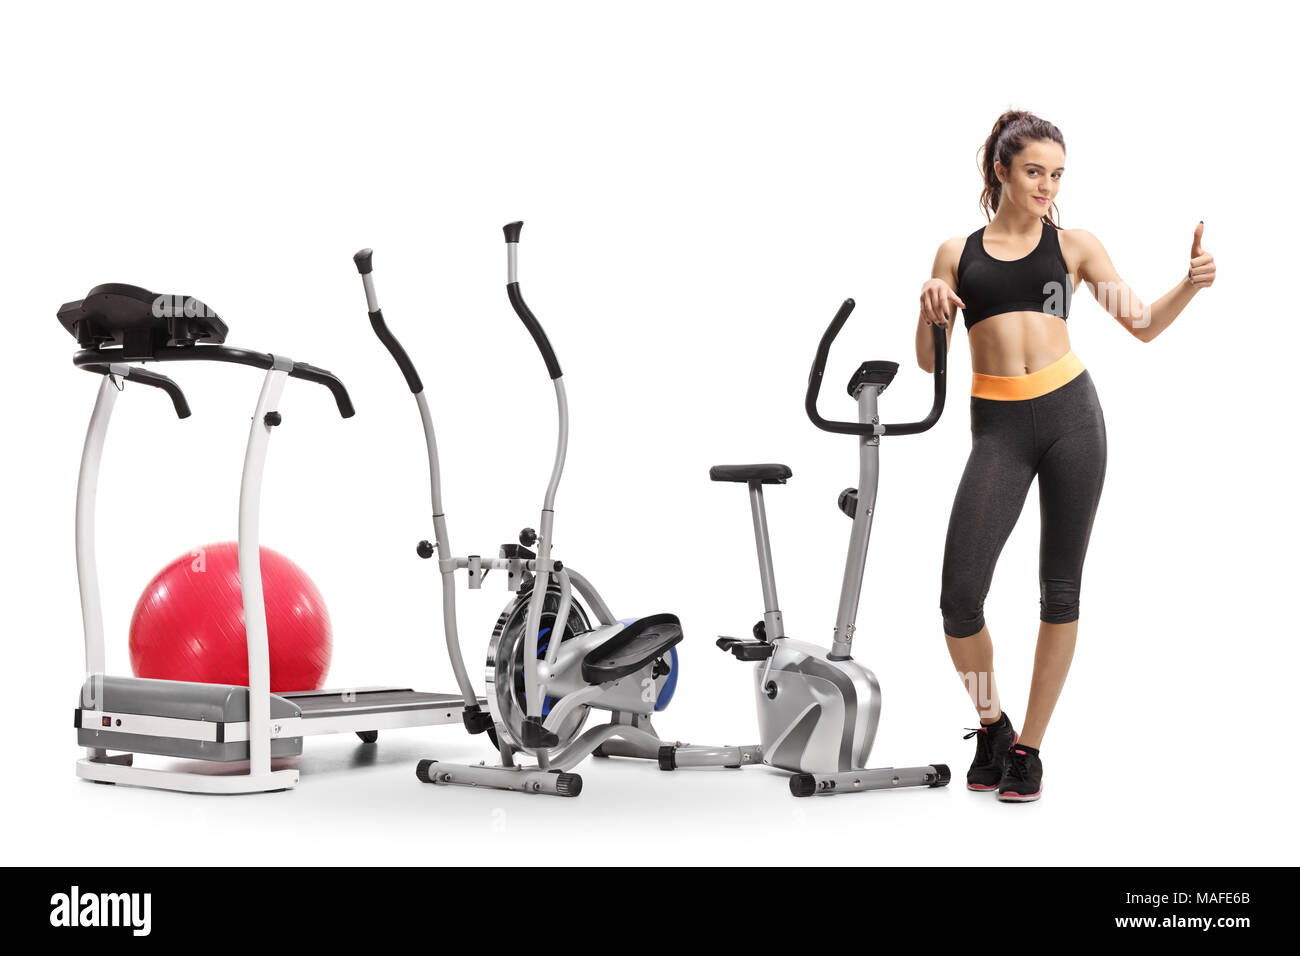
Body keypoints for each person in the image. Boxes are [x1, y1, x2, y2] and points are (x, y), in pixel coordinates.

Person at [916, 109, 1215, 803]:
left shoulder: (1075, 247)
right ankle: (991, 723)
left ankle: (1028, 751)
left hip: (1072, 419)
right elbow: (926, 359)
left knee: (1060, 592)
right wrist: (931, 308)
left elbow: (1140, 326)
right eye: (1033, 172)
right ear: (1001, 169)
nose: (1047, 186)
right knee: (960, 597)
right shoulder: (954, 255)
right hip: (998, 427)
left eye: (1056, 174)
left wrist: (1190, 287)